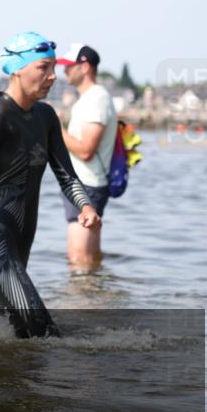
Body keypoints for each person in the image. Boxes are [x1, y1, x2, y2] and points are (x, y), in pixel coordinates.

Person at [0, 33, 101, 338]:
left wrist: (86, 206)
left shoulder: (46, 117)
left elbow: (66, 175)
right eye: (43, 67)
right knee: (44, 336)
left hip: (19, 243)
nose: (53, 76)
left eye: (54, 67)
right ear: (17, 69)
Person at [57, 44, 117, 271]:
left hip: (87, 185)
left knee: (79, 257)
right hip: (87, 184)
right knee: (89, 257)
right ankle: (96, 291)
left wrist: (57, 129)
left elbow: (85, 150)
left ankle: (83, 294)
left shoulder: (96, 99)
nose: (64, 71)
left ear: (84, 67)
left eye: (68, 66)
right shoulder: (90, 98)